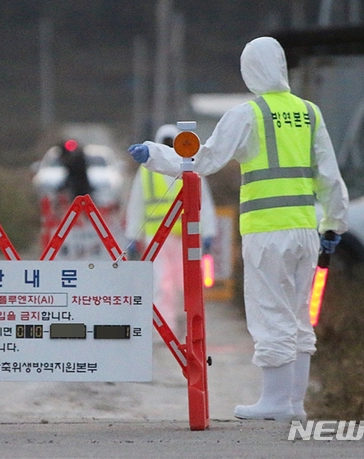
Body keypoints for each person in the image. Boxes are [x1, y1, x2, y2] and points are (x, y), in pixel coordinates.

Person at [127, 36, 348, 423]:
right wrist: (334, 223)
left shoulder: (249, 114)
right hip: (306, 231)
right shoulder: (310, 113)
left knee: (270, 313)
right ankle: (294, 403)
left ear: (250, 70)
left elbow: (205, 159)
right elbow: (329, 176)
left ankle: (276, 402)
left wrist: (156, 154)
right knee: (298, 316)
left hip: (267, 232)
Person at [124, 123, 217, 338]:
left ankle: (181, 330)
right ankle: (168, 332)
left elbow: (204, 200)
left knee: (183, 284)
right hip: (164, 238)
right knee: (165, 283)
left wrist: (209, 232)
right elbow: (137, 204)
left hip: (179, 237)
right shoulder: (152, 170)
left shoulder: (187, 167)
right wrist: (132, 236)